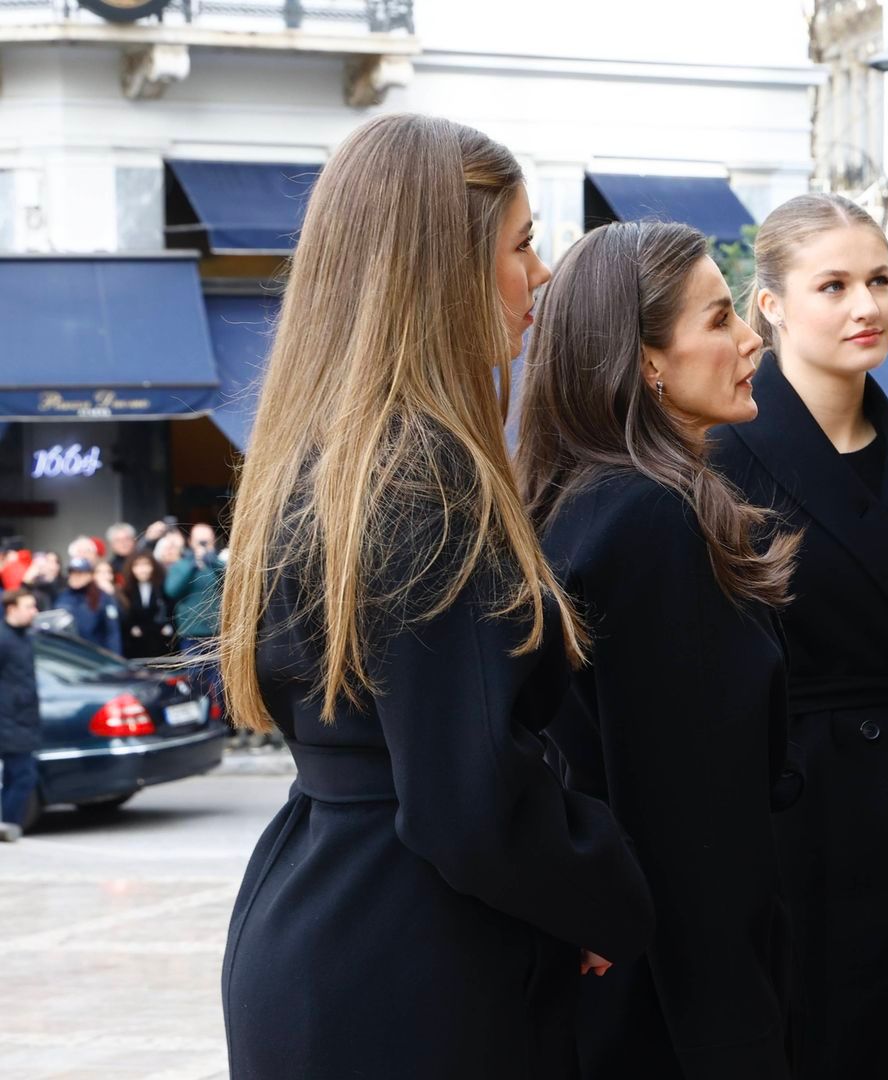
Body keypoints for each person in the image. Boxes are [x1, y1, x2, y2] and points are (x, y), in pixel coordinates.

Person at [218, 113, 652, 1079]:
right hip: (415, 957)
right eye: (523, 243)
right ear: (440, 268)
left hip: (326, 918)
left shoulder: (324, 456)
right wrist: (599, 894)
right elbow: (468, 799)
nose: (541, 276)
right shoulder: (427, 478)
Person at [517, 220, 799, 1079]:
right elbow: (685, 819)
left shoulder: (591, 500)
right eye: (718, 320)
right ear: (645, 361)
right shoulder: (650, 519)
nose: (752, 337)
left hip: (631, 982)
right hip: (677, 1003)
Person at [712, 194, 888, 1079]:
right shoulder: (721, 457)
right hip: (801, 815)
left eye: (880, 280)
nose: (867, 306)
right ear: (772, 304)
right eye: (834, 285)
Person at [0, 589, 40, 842]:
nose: (34, 611)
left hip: (23, 717)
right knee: (24, 775)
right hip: (9, 719)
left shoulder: (25, 637)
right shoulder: (4, 640)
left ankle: (6, 823)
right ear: (12, 609)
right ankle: (9, 824)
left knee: (14, 776)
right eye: (29, 606)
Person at [165, 524, 223, 657]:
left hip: (217, 631)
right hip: (191, 632)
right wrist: (192, 566)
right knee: (193, 675)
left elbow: (231, 583)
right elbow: (172, 591)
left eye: (206, 541)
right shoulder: (181, 565)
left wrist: (212, 562)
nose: (202, 545)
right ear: (190, 542)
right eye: (199, 541)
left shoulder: (218, 563)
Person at [56, 557, 121, 655]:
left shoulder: (103, 597)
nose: (75, 577)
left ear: (90, 575)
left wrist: (115, 657)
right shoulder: (62, 596)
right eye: (72, 573)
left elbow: (112, 632)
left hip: (95, 656)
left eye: (80, 573)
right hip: (68, 655)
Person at [119, 552, 175, 661]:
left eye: (146, 564)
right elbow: (125, 614)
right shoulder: (127, 590)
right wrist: (131, 627)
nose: (142, 569)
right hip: (136, 643)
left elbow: (171, 608)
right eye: (137, 565)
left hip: (161, 640)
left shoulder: (162, 586)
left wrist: (168, 626)